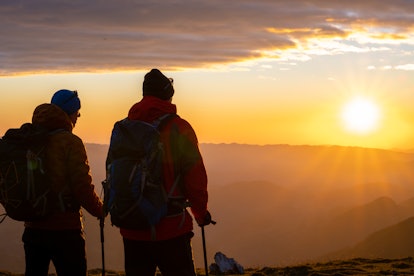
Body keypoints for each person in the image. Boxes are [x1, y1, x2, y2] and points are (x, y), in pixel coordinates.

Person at [108, 69, 212, 276]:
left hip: (132, 228)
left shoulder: (124, 128)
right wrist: (200, 213)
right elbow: (195, 177)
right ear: (168, 95)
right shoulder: (178, 128)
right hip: (171, 228)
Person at [22, 89, 103, 276]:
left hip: (33, 227)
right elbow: (82, 186)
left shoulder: (31, 138)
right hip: (65, 230)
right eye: (77, 112)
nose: (78, 117)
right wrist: (100, 210)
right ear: (69, 113)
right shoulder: (71, 142)